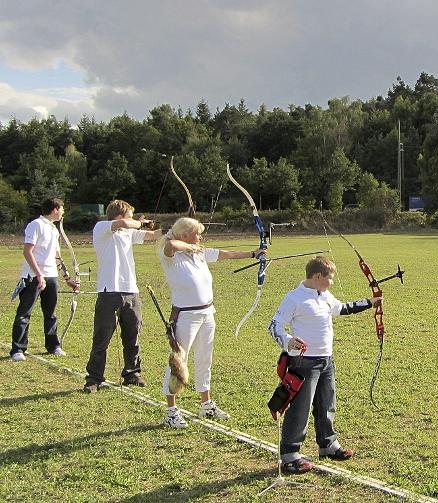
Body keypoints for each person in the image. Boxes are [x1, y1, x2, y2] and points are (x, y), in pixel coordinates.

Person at [268, 256, 382, 474]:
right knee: (300, 407)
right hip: (304, 362)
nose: (332, 281)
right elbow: (274, 325)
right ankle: (290, 455)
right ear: (317, 276)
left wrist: (370, 302)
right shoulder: (294, 298)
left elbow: (342, 308)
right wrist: (288, 340)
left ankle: (328, 444)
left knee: (326, 403)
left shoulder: (325, 295)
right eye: (330, 277)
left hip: (326, 360)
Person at [158, 217, 265, 428]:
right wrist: (190, 247)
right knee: (178, 361)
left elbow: (225, 254)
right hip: (185, 316)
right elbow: (170, 244)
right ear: (186, 235)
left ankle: (206, 404)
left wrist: (254, 254)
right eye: (197, 233)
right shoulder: (172, 256)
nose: (200, 237)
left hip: (207, 314)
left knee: (204, 359)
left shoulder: (199, 253)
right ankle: (171, 411)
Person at [84, 200, 163, 393]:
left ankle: (132, 373)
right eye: (130, 215)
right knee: (102, 338)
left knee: (133, 334)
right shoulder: (102, 227)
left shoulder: (128, 232)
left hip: (131, 291)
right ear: (120, 216)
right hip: (108, 291)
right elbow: (126, 224)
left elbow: (154, 235)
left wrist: (175, 229)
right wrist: (141, 222)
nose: (132, 219)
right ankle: (94, 379)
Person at [10, 198, 80, 361]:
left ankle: (53, 346)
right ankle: (18, 349)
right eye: (62, 208)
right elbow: (28, 251)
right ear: (55, 209)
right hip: (33, 276)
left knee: (51, 313)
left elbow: (57, 256)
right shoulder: (36, 225)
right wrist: (39, 274)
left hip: (51, 276)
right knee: (24, 313)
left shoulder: (54, 229)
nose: (63, 212)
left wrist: (67, 277)